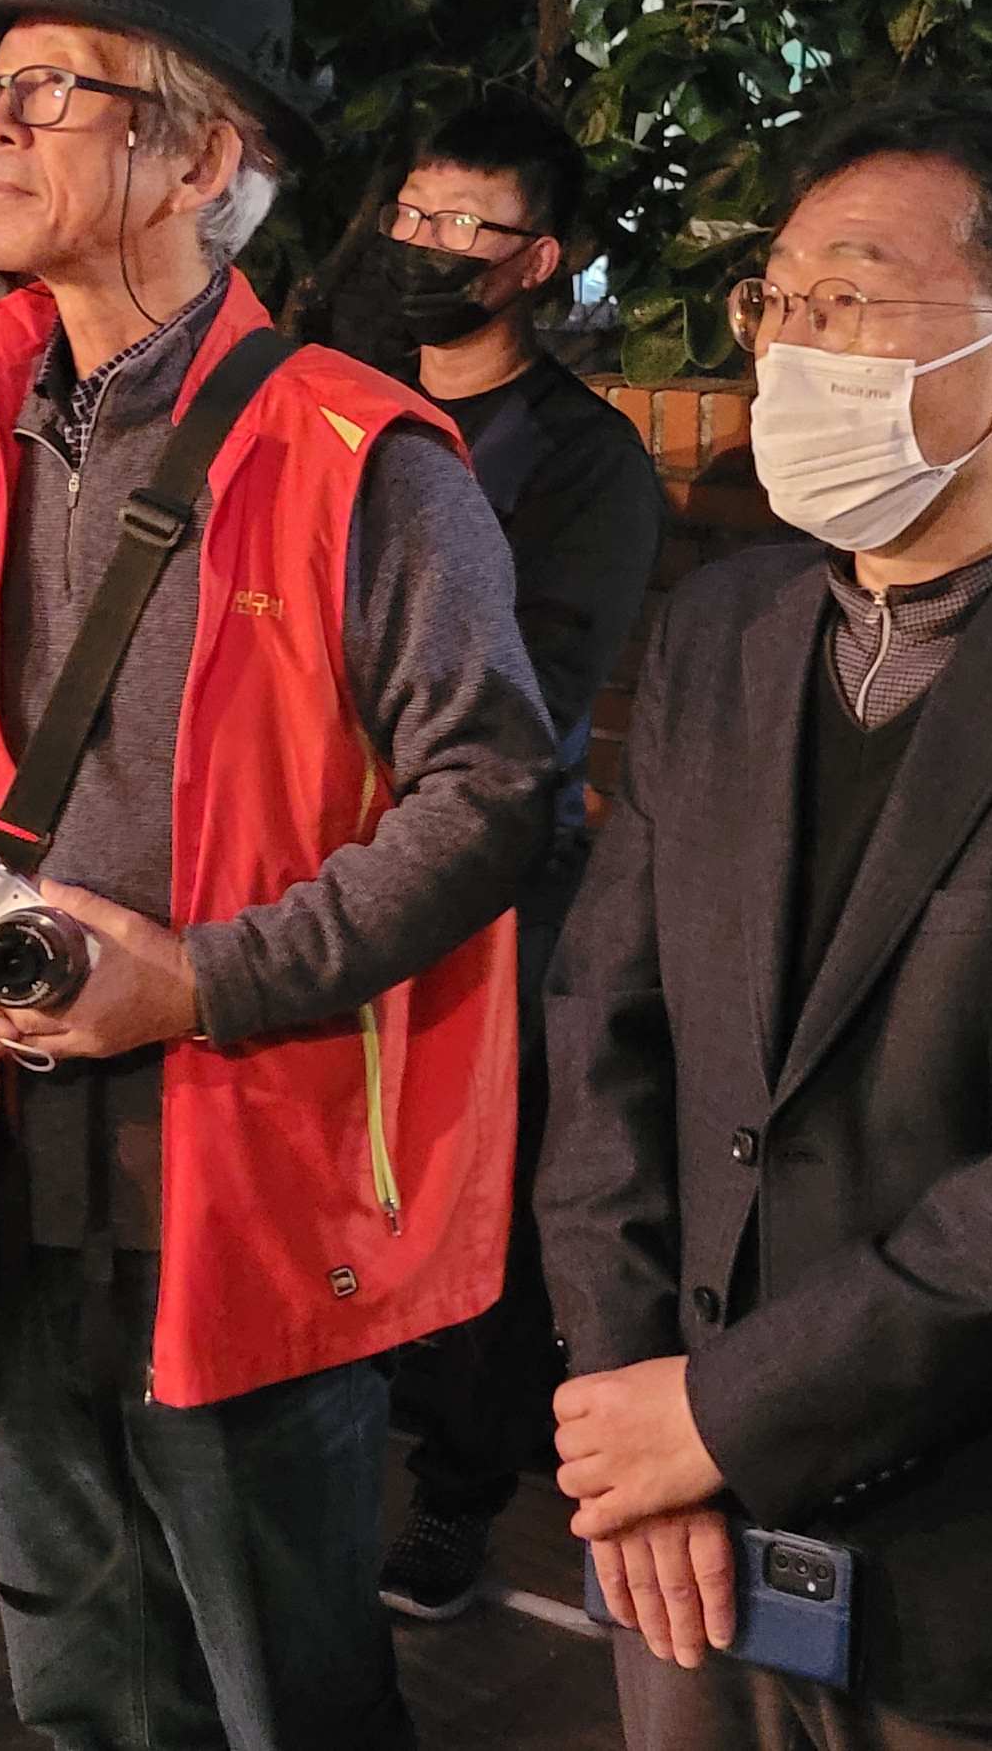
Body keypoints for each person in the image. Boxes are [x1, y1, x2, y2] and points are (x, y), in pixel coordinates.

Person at [0, 0, 555, 1751]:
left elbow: (494, 791)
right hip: (5, 1148)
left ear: (203, 156)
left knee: (282, 1678)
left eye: (51, 88)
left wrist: (209, 979)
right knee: (74, 1660)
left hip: (240, 1164)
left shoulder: (359, 455)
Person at [533, 93, 992, 1751]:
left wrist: (718, 1419)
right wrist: (627, 1410)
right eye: (779, 299)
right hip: (678, 1539)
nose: (790, 348)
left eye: (852, 298)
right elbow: (605, 1033)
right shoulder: (720, 631)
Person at [339, 90, 670, 1621]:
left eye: (468, 225)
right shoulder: (336, 408)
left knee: (483, 1178)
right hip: (314, 858)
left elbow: (539, 681)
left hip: (497, 871)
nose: (430, 245)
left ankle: (462, 1487)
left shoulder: (586, 461)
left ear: (539, 259)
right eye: (417, 212)